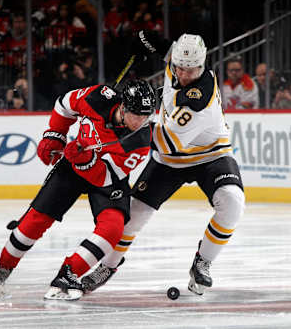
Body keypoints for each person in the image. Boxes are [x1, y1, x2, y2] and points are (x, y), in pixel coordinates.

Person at [82, 31, 245, 296]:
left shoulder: (199, 100)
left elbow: (164, 142)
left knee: (233, 201)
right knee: (131, 218)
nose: (182, 74)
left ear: (201, 67)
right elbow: (158, 43)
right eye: (178, 67)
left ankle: (203, 261)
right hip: (169, 161)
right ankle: (107, 267)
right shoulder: (179, 62)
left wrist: (123, 121)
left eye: (190, 71)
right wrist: (140, 40)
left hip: (209, 156)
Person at [0, 79, 156, 301]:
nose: (141, 121)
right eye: (137, 115)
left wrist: (86, 161)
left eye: (146, 116)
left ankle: (68, 273)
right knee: (33, 222)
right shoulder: (98, 97)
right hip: (73, 163)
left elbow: (106, 177)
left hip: (107, 179)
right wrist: (55, 134)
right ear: (123, 107)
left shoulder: (142, 140)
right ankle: (2, 269)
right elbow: (64, 103)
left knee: (114, 228)